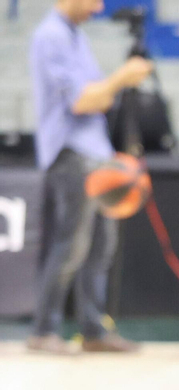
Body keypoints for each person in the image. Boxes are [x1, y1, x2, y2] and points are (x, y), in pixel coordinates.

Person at [26, 0, 151, 354]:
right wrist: (121, 78)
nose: (98, 7)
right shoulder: (50, 36)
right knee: (72, 243)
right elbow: (81, 102)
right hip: (71, 153)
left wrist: (111, 89)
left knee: (100, 246)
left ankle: (93, 330)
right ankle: (44, 330)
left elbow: (99, 100)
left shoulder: (75, 36)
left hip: (96, 153)